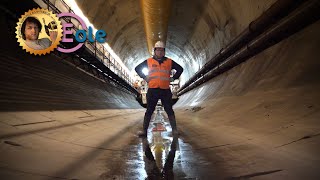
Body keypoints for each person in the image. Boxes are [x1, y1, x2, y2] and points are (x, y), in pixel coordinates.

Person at [135, 41, 183, 137]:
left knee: (169, 110)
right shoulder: (149, 61)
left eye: (162, 50)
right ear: (155, 51)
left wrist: (173, 78)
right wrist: (145, 77)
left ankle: (175, 130)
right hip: (153, 90)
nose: (160, 52)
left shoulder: (169, 62)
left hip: (165, 90)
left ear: (164, 51)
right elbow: (137, 68)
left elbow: (180, 69)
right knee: (149, 110)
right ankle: (144, 131)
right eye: (158, 50)